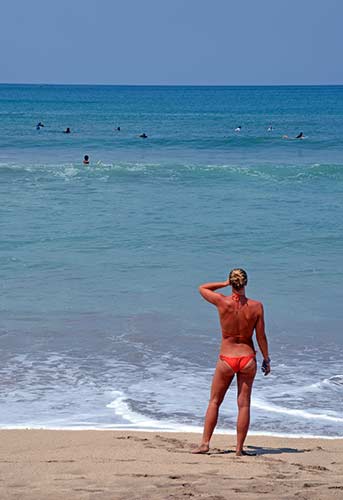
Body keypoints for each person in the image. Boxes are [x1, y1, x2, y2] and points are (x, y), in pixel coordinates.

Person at [193, 268, 270, 456]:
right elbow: (261, 337)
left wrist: (224, 284)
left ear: (232, 282)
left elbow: (202, 288)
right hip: (247, 358)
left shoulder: (222, 302)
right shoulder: (256, 306)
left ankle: (205, 444)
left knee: (214, 401)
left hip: (227, 358)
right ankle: (238, 449)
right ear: (246, 283)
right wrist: (266, 359)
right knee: (244, 404)